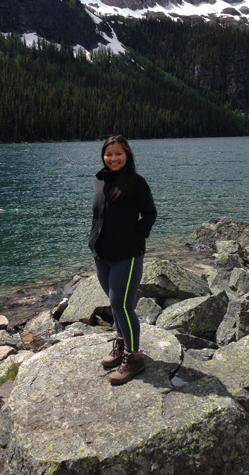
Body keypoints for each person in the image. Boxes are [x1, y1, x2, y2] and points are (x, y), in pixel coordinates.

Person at [88, 135, 157, 385]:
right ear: (103, 156)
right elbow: (100, 215)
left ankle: (134, 357)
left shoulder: (136, 182)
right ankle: (120, 344)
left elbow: (150, 213)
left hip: (126, 255)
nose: (113, 158)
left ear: (127, 154)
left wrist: (136, 238)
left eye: (118, 153)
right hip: (102, 254)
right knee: (113, 302)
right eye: (108, 154)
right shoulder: (100, 179)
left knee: (122, 305)